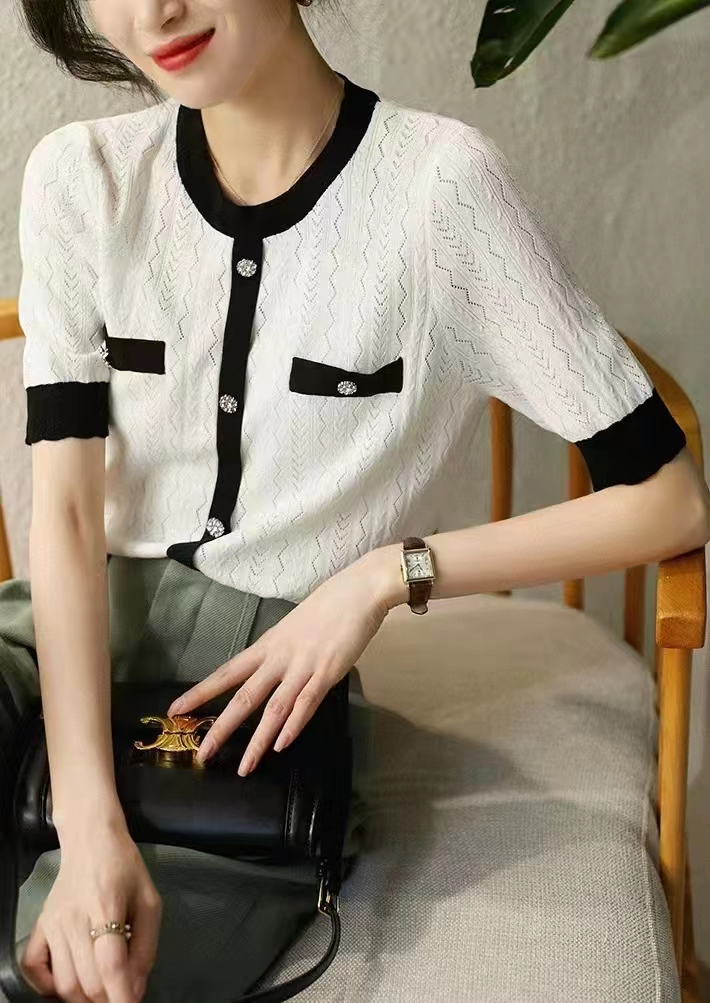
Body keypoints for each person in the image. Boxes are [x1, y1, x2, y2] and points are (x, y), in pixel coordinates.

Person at [7, 0, 710, 1000]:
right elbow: (68, 516)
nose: (153, 12)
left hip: (248, 712)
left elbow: (669, 499)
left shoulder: (438, 191)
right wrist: (88, 826)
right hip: (47, 646)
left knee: (66, 966)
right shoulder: (81, 177)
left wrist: (386, 574)